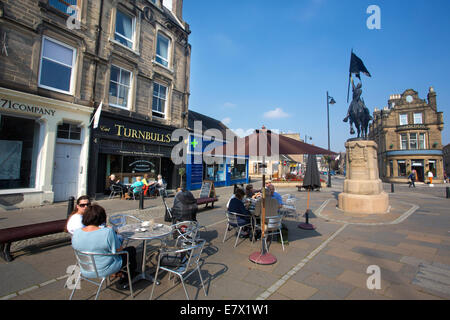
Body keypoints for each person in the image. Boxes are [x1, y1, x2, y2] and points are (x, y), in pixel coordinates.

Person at [71, 204, 137, 286]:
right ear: (102, 218)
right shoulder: (107, 232)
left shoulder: (77, 232)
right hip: (104, 269)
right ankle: (129, 276)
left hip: (84, 268)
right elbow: (119, 249)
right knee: (131, 250)